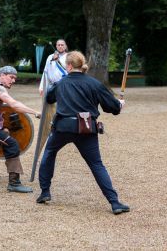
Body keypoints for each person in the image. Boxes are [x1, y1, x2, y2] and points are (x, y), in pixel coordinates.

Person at [36, 51, 130, 215]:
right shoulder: (94, 83)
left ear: (70, 66)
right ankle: (114, 203)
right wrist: (119, 105)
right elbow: (112, 108)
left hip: (63, 128)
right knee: (96, 164)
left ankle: (45, 192)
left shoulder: (61, 83)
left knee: (49, 153)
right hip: (86, 128)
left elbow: (49, 98)